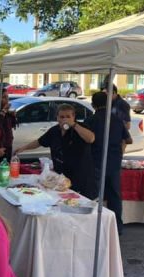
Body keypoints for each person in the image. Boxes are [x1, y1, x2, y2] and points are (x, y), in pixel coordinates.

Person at [14, 104, 97, 199]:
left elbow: (91, 138)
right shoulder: (54, 131)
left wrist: (74, 125)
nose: (65, 119)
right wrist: (23, 148)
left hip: (81, 177)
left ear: (73, 117)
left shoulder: (80, 127)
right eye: (62, 117)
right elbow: (39, 142)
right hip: (61, 177)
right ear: (57, 117)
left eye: (68, 117)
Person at [86, 91, 133, 234]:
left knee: (94, 195)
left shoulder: (90, 121)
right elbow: (129, 139)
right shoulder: (117, 120)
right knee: (114, 196)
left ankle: (93, 227)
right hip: (114, 162)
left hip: (95, 162)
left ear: (93, 104)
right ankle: (117, 227)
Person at [0, 89, 17, 162]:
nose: (7, 99)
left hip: (9, 143)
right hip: (1, 145)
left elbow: (12, 126)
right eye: (4, 97)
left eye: (7, 97)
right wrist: (4, 110)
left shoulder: (7, 112)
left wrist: (13, 116)